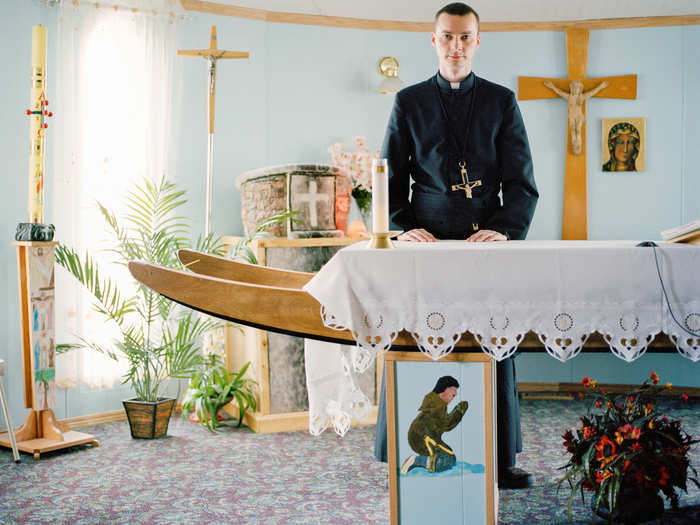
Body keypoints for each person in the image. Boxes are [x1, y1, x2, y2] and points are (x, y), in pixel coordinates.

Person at [374, 3, 539, 490]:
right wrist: (403, 227)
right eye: (447, 36)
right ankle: (401, 451)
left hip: (483, 243)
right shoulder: (408, 102)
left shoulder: (502, 101)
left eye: (465, 37)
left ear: (478, 41)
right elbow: (389, 179)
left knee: (495, 342)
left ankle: (500, 458)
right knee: (413, 340)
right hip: (423, 246)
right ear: (433, 40)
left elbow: (522, 183)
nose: (456, 45)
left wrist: (504, 230)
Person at [400, 376, 468, 474]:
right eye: (453, 394)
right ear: (445, 390)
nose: (455, 395)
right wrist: (459, 412)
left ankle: (420, 461)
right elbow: (446, 426)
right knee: (448, 459)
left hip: (423, 436)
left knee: (448, 457)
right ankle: (416, 461)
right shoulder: (437, 406)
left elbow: (442, 423)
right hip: (424, 437)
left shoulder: (436, 402)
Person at [543, 80, 608, 155]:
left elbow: (592, 92)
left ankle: (578, 145)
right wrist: (552, 87)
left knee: (578, 130)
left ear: (580, 89)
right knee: (573, 131)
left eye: (576, 88)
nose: (574, 89)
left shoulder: (581, 97)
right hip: (571, 116)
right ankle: (574, 145)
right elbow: (559, 92)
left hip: (578, 116)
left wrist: (600, 87)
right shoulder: (569, 96)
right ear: (571, 89)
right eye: (573, 88)